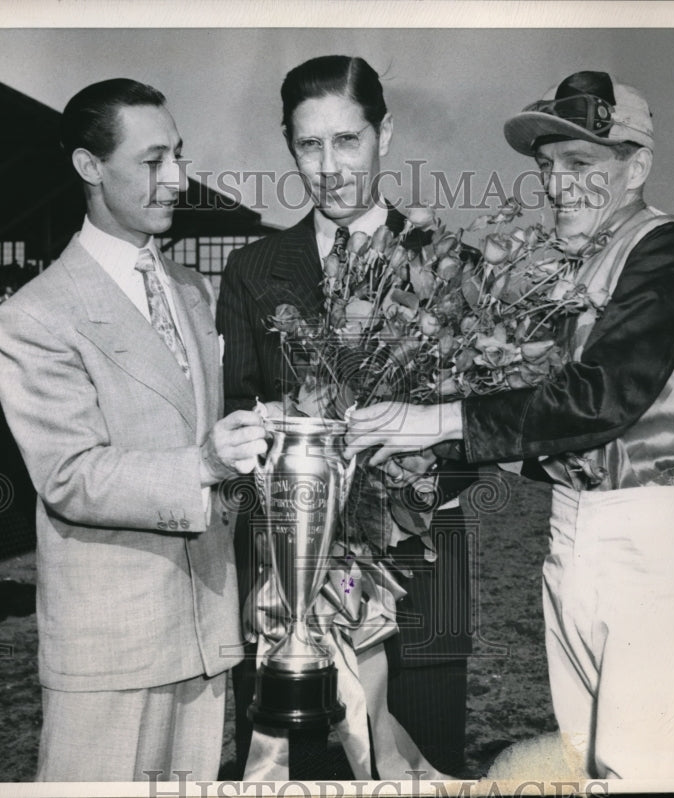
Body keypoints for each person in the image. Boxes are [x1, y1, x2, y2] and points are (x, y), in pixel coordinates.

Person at [345, 70, 674, 780]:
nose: (558, 184)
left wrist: (432, 419)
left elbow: (599, 399)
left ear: (637, 167)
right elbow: (529, 412)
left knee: (639, 778)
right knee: (590, 766)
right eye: (548, 166)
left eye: (582, 165)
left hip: (648, 541)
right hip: (572, 537)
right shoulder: (563, 268)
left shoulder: (664, 249)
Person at [0, 78, 267, 782]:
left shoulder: (195, 291)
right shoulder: (34, 317)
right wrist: (203, 462)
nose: (176, 178)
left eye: (178, 155)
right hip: (111, 648)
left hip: (206, 634)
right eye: (152, 161)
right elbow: (70, 476)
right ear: (90, 167)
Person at [217, 54, 474, 778]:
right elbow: (237, 413)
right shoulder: (252, 271)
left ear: (383, 136)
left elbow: (474, 436)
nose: (329, 167)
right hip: (285, 594)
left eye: (347, 141)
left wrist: (395, 463)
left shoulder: (452, 266)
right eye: (309, 145)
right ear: (289, 145)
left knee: (421, 775)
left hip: (420, 593)